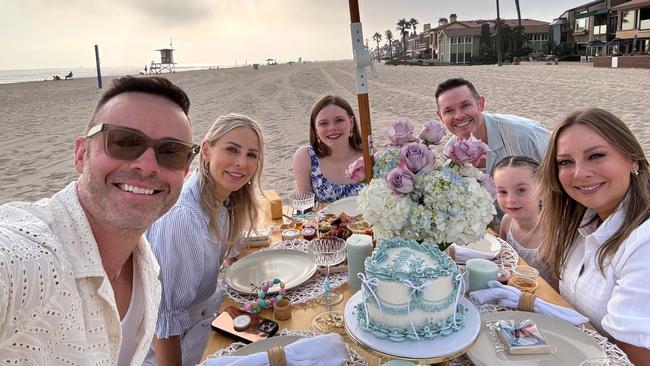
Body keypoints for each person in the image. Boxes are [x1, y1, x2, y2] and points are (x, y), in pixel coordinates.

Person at [0, 76, 199, 364]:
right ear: (81, 154)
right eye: (124, 142)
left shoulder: (147, 268)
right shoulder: (27, 258)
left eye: (171, 151)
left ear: (185, 171)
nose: (146, 164)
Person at [144, 113, 264, 365]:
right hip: (172, 347)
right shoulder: (184, 217)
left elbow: (230, 254)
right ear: (207, 150)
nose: (242, 163)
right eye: (232, 150)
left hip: (209, 313)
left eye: (251, 154)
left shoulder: (227, 199)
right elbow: (163, 321)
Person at [539, 108, 650, 363]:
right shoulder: (579, 218)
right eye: (565, 162)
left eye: (596, 156)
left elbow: (635, 358)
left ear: (633, 159)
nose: (580, 173)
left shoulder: (644, 242)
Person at [435, 78, 550, 176]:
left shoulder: (525, 135)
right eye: (449, 111)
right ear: (440, 117)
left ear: (481, 104)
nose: (459, 116)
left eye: (465, 105)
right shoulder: (449, 154)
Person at [493, 156, 554, 288]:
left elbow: (558, 293)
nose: (510, 200)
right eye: (502, 191)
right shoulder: (508, 221)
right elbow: (502, 261)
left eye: (521, 190)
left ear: (542, 190)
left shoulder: (552, 238)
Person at [292, 94, 365, 203]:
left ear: (351, 122)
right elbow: (305, 210)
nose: (332, 128)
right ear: (316, 130)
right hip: (325, 220)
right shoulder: (305, 157)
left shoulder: (369, 155)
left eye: (339, 120)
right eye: (323, 123)